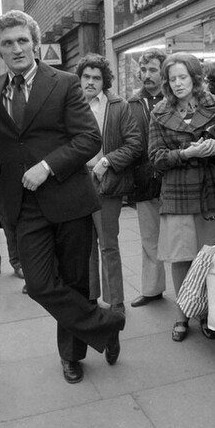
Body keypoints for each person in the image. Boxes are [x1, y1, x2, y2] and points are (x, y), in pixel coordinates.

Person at [0, 10, 126, 384]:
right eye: (8, 43)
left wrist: (47, 165)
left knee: (75, 282)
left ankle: (72, 355)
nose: (16, 48)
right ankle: (106, 325)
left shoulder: (62, 83)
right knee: (41, 284)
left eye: (22, 40)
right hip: (23, 206)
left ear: (35, 43)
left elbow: (88, 138)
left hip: (69, 199)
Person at [148, 52, 215, 342]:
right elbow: (155, 158)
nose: (177, 83)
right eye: (172, 79)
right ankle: (182, 315)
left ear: (195, 78)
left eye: (183, 77)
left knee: (208, 259)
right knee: (181, 258)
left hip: (210, 192)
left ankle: (207, 314)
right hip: (177, 194)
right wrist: (186, 153)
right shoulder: (159, 112)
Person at [76, 53, 143, 316]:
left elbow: (135, 144)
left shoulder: (118, 106)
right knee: (85, 245)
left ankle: (116, 303)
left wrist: (107, 162)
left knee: (108, 244)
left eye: (96, 77)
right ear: (79, 79)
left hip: (106, 182)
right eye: (86, 77)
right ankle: (91, 299)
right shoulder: (70, 105)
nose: (90, 82)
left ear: (105, 81)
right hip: (76, 182)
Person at [127, 49, 168, 308]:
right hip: (144, 180)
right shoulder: (131, 104)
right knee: (149, 238)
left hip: (175, 180)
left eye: (153, 69)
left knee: (184, 241)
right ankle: (152, 290)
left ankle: (195, 299)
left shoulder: (176, 99)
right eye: (143, 70)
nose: (147, 75)